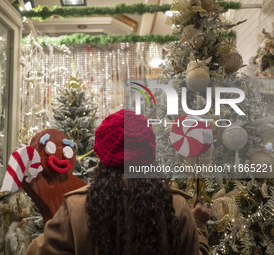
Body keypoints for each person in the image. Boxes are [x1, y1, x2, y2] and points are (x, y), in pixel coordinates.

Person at [26, 109, 211, 255]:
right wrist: (199, 225)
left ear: (102, 157)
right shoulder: (175, 206)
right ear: (149, 157)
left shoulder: (77, 206)